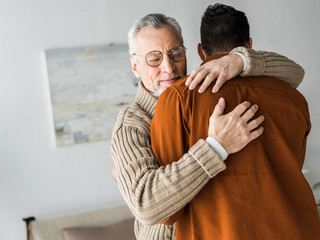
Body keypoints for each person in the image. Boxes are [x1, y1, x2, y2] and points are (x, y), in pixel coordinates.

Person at [112, 13, 306, 240]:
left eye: (175, 53)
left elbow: (296, 74)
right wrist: (216, 146)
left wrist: (240, 61)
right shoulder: (131, 124)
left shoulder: (199, 93)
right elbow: (147, 205)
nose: (169, 67)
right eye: (154, 58)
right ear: (135, 67)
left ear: (189, 52)